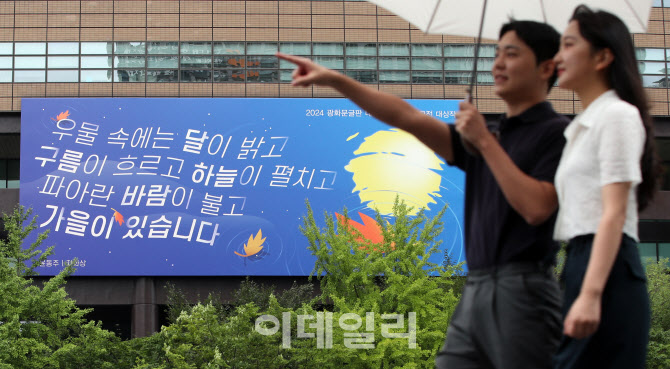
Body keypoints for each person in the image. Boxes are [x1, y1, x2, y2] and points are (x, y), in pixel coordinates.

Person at [278, 19, 567, 369]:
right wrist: (335, 80)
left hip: (525, 291)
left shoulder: (557, 133)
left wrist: (485, 142)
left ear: (547, 67)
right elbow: (407, 117)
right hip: (475, 287)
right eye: (496, 54)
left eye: (512, 54)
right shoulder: (487, 134)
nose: (498, 64)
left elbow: (537, 208)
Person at [552, 5, 660, 369]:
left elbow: (613, 212)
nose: (558, 57)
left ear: (602, 56)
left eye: (568, 45)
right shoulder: (583, 126)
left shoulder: (617, 115)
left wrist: (591, 292)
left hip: (607, 269)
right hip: (582, 261)